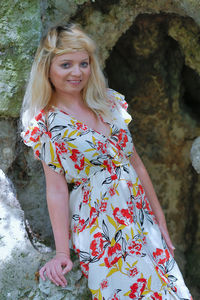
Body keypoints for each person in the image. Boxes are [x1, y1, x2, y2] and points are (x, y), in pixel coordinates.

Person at [21, 23, 192, 300]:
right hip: (100, 224)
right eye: (66, 64)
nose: (77, 72)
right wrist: (62, 252)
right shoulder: (47, 124)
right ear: (47, 69)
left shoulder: (109, 103)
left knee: (172, 291)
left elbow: (134, 163)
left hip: (139, 216)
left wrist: (159, 218)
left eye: (83, 64)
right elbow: (56, 189)